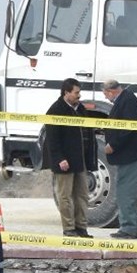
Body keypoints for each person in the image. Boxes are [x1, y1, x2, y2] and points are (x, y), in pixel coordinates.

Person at [44, 78, 96, 238]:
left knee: (82, 195)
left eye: (79, 92)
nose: (79, 96)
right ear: (66, 93)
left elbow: (88, 133)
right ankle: (69, 228)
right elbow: (52, 139)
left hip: (80, 161)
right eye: (76, 93)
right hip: (64, 162)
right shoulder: (55, 110)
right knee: (65, 196)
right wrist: (60, 158)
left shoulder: (80, 109)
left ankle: (81, 227)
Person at [102, 79, 137, 239]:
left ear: (111, 91)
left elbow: (129, 128)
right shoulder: (126, 99)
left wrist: (113, 144)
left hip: (131, 155)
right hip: (128, 155)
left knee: (126, 192)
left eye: (106, 94)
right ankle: (128, 226)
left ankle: (129, 228)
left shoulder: (127, 100)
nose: (106, 98)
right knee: (124, 191)